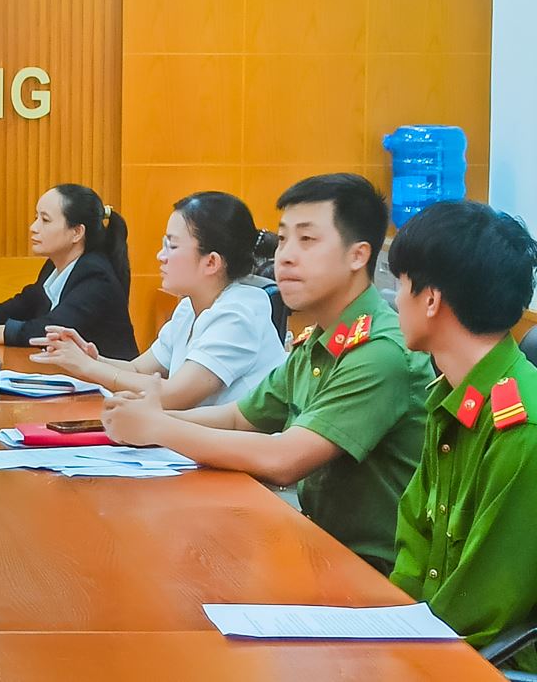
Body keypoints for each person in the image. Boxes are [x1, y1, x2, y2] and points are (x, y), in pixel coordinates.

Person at [102, 174, 433, 573]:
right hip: (318, 546)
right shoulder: (318, 340)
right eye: (283, 239)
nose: (285, 257)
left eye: (306, 240)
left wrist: (159, 427)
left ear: (358, 256)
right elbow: (239, 417)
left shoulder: (378, 351)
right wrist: (151, 417)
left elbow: (284, 459)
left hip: (376, 573)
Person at [386, 200, 537, 668]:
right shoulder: (453, 400)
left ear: (431, 300)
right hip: (434, 643)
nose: (395, 300)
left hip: (494, 664)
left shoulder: (521, 426)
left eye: (401, 284)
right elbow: (415, 538)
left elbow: (483, 608)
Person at [31, 191, 287, 408]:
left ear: (211, 262)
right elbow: (138, 370)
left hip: (240, 451)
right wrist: (90, 359)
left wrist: (88, 368)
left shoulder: (238, 314)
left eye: (172, 246)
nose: (160, 256)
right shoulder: (189, 307)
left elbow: (173, 395)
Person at [0, 184, 138, 359]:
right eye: (36, 217)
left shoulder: (96, 276)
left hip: (106, 384)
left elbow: (47, 331)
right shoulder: (54, 265)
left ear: (77, 232)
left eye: (45, 220)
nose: (33, 227)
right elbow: (22, 304)